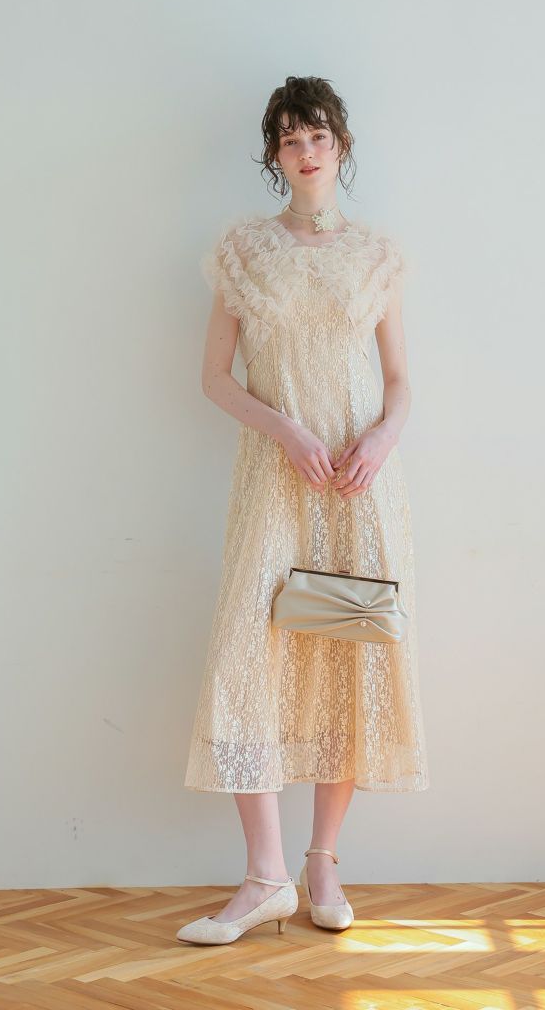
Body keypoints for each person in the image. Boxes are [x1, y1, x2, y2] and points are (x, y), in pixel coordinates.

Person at [177, 76, 429, 946]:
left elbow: (399, 382)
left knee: (347, 654)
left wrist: (381, 439)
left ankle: (323, 863)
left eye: (318, 134)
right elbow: (215, 378)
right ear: (273, 155)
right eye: (289, 139)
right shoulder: (243, 252)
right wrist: (282, 428)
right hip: (276, 480)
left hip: (360, 483)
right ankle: (264, 876)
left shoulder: (377, 256)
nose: (306, 150)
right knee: (247, 653)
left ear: (341, 146)